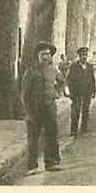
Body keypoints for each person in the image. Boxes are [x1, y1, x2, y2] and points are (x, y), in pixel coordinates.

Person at [21, 42, 63, 173]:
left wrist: (57, 92)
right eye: (43, 54)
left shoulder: (54, 70)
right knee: (33, 137)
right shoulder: (31, 71)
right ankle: (32, 166)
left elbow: (62, 81)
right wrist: (28, 111)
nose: (46, 57)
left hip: (50, 107)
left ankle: (51, 162)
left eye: (48, 54)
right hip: (35, 108)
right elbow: (24, 93)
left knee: (51, 134)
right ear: (38, 56)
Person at [65, 46, 96, 136]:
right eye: (82, 55)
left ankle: (84, 128)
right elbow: (69, 79)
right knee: (75, 111)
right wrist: (71, 92)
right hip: (76, 92)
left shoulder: (90, 67)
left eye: (86, 55)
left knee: (86, 110)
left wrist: (94, 90)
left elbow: (92, 79)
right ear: (79, 56)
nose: (84, 57)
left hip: (87, 92)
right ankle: (73, 130)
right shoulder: (74, 66)